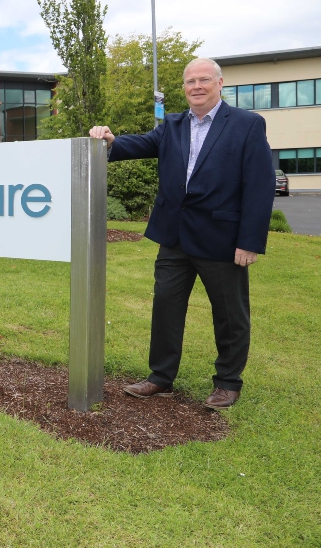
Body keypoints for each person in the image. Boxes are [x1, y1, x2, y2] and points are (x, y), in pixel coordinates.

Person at [88, 57, 273, 409]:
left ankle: (228, 383)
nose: (196, 87)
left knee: (230, 315)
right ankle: (160, 377)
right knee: (166, 308)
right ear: (184, 88)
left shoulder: (247, 125)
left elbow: (260, 186)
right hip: (173, 237)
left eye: (204, 80)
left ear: (220, 84)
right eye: (190, 82)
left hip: (221, 239)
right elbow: (138, 144)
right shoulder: (172, 125)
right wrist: (111, 140)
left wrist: (249, 241)